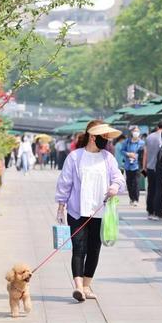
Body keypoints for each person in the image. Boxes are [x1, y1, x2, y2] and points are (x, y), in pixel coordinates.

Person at [55, 120, 126, 302]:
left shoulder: (108, 158)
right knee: (79, 248)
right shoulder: (75, 157)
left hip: (100, 211)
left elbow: (118, 178)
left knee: (94, 249)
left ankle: (86, 286)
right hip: (77, 212)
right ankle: (78, 287)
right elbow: (65, 182)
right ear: (93, 137)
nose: (106, 141)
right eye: (103, 137)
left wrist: (115, 186)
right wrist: (61, 206)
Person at [143, 119, 162, 221]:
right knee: (160, 190)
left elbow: (145, 153)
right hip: (160, 167)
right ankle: (158, 212)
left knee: (151, 189)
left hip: (149, 167)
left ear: (158, 127)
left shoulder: (149, 137)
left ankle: (150, 210)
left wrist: (144, 166)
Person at [122, 126, 144, 207]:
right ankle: (131, 198)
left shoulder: (142, 143)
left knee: (136, 182)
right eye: (134, 131)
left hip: (137, 165)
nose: (136, 132)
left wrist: (136, 156)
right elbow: (122, 150)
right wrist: (128, 154)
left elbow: (143, 153)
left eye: (137, 131)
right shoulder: (126, 142)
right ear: (131, 132)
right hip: (128, 165)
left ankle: (136, 199)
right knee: (129, 182)